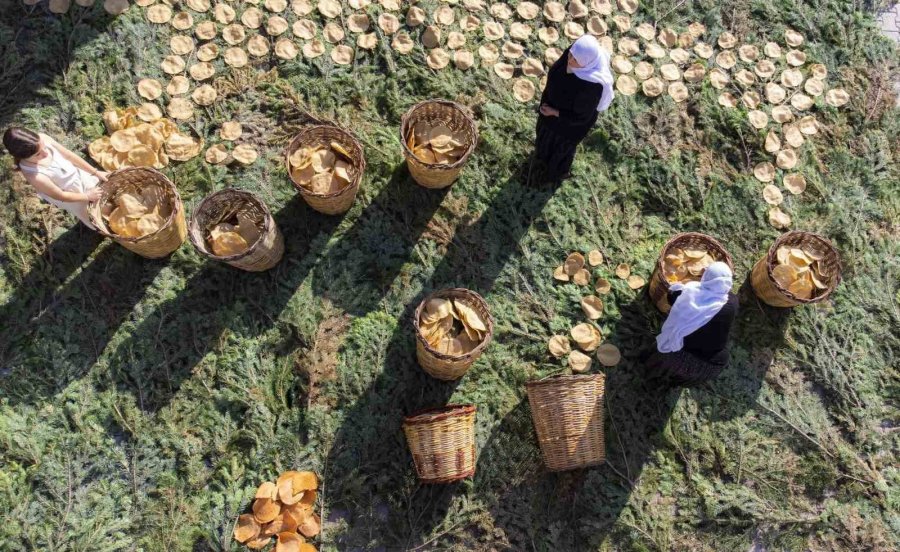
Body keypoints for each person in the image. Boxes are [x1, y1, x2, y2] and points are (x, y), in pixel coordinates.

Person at [534, 34, 614, 183]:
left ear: (588, 63)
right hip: (550, 110)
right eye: (571, 54)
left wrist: (555, 112)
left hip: (566, 127)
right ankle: (541, 155)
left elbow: (581, 117)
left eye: (576, 60)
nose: (570, 60)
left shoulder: (592, 87)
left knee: (559, 149)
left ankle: (555, 174)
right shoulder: (575, 52)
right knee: (544, 138)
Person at [646, 262, 739, 386]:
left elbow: (671, 295)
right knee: (723, 354)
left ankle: (658, 370)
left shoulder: (689, 294)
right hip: (711, 365)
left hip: (679, 355)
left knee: (674, 342)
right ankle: (679, 382)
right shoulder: (732, 303)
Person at [3, 127, 108, 229]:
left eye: (43, 147)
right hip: (72, 195)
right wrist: (87, 197)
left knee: (104, 197)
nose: (46, 153)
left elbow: (68, 155)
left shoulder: (43, 138)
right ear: (23, 157)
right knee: (92, 214)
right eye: (38, 154)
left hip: (78, 175)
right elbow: (60, 195)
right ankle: (99, 227)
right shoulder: (34, 175)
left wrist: (96, 172)